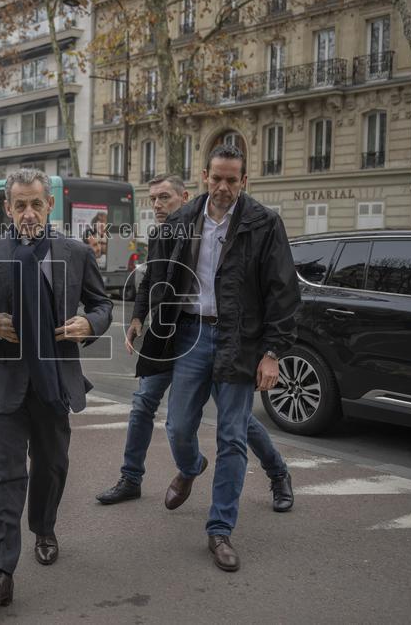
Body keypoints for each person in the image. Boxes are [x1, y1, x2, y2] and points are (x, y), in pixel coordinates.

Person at [131, 145, 299, 573]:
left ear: (245, 181)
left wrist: (272, 352)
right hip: (189, 333)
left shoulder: (264, 223)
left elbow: (283, 293)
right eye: (217, 178)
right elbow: (157, 269)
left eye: (232, 180)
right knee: (179, 425)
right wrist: (139, 315)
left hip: (240, 338)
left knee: (232, 436)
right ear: (204, 176)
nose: (223, 187)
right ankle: (190, 466)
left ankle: (220, 529)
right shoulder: (183, 219)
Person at [0, 169, 113, 607]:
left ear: (49, 206)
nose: (28, 213)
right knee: (6, 474)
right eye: (19, 204)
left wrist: (90, 323)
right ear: (7, 208)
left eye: (36, 204)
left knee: (51, 464)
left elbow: (102, 304)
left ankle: (44, 526)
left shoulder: (76, 252)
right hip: (4, 382)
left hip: (54, 381)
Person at [96, 174, 294, 516]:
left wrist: (268, 348)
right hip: (171, 336)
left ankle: (277, 473)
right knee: (145, 403)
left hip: (213, 337)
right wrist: (138, 318)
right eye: (153, 198)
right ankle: (132, 478)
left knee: (239, 421)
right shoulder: (163, 231)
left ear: (185, 197)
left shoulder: (204, 224)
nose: (157, 205)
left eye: (164, 198)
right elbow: (150, 281)